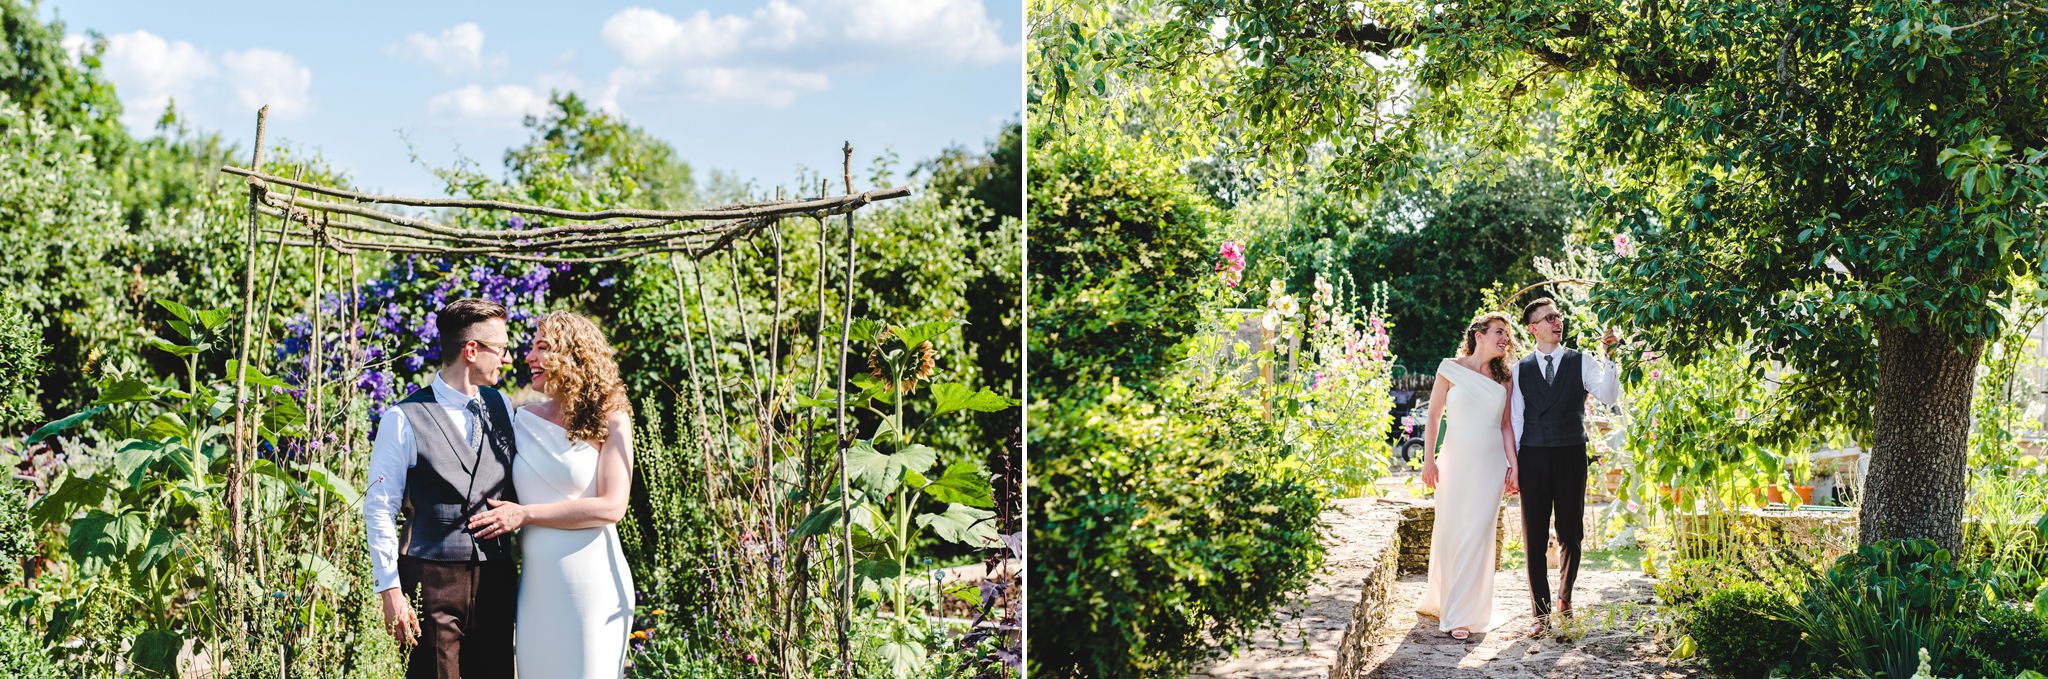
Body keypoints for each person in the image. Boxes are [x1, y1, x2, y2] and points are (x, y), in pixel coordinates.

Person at [466, 311, 636, 678]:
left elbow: (612, 506)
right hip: (538, 590)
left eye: (542, 347)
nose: (529, 356)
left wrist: (524, 514)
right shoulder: (521, 419)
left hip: (592, 586)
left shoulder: (612, 419)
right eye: (531, 346)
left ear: (574, 355)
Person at [364, 298, 521, 678]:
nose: (507, 358)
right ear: (472, 350)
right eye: (500, 348)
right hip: (429, 579)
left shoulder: (503, 405)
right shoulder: (402, 419)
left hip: (495, 578)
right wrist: (391, 593)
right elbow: (379, 507)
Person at [1510, 297, 1622, 636]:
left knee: (1571, 534)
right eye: (1547, 318)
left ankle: (1565, 599)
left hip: (1572, 454)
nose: (1556, 322)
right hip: (1532, 456)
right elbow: (1516, 419)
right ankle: (1540, 614)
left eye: (1557, 316)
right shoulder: (1520, 369)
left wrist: (1611, 358)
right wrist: (1512, 466)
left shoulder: (1582, 361)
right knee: (1534, 538)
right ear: (1533, 329)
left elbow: (1608, 396)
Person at [1416, 312, 1522, 640]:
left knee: (1478, 534)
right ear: (1479, 335)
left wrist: (1513, 465)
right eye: (1499, 332)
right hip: (1453, 461)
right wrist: (1428, 460)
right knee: (1452, 531)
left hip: (1490, 464)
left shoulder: (1504, 379)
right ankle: (1447, 599)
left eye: (1508, 334)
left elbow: (1505, 426)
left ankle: (1463, 615)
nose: (1505, 339)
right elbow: (1434, 415)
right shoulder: (1450, 368)